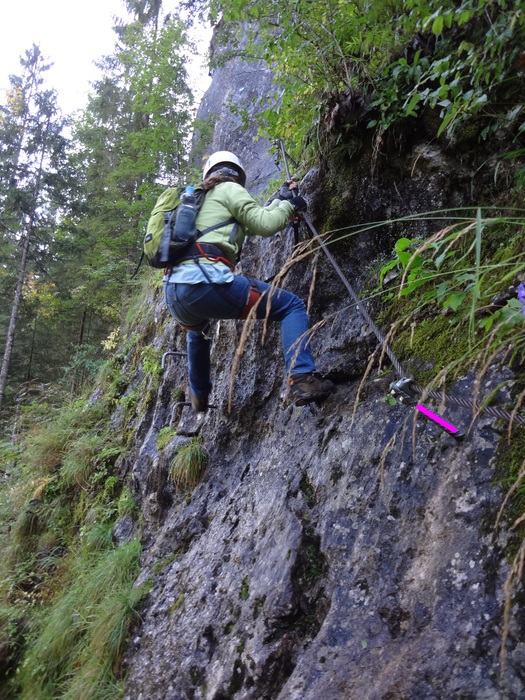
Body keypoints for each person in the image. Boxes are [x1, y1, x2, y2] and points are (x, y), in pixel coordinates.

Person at [163, 150, 336, 412]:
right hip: (206, 282)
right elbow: (264, 224)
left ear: (209, 173)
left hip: (174, 293)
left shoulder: (195, 200)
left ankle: (198, 393)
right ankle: (302, 377)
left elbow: (255, 217)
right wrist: (291, 204)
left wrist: (280, 200)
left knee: (198, 332)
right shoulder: (229, 189)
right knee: (291, 307)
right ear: (236, 175)